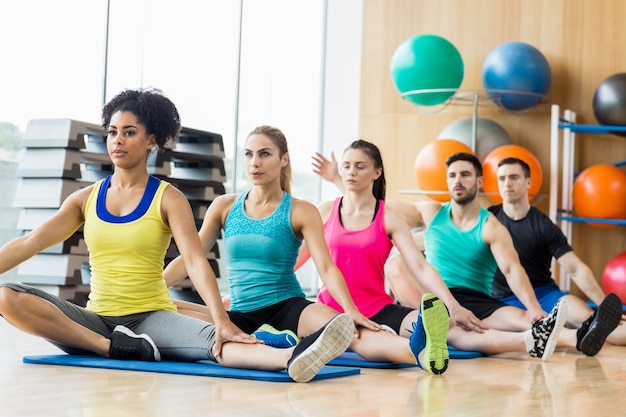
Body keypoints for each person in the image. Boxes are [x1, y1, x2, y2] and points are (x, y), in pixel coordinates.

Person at [0, 88, 353, 383]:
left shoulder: (167, 197)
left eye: (129, 132)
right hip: (96, 320)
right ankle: (109, 347)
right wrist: (107, 344)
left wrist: (220, 318)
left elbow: (196, 260)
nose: (117, 140)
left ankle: (295, 355)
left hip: (150, 317)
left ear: (152, 139)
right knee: (7, 297)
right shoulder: (84, 199)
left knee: (218, 344)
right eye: (112, 131)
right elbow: (29, 243)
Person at [164, 126, 452, 374]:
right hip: (239, 311)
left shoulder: (301, 210)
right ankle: (281, 345)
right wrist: (158, 284)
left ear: (283, 160)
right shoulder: (224, 206)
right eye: (249, 154)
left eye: (264, 154)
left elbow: (326, 267)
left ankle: (420, 351)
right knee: (166, 309)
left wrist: (350, 310)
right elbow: (193, 255)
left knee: (349, 333)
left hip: (289, 308)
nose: (255, 162)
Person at [314, 150, 617, 358]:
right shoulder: (431, 212)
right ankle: (428, 319)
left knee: (528, 319)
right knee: (397, 264)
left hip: (477, 299)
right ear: (446, 182)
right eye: (453, 175)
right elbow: (372, 206)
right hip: (436, 294)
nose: (458, 180)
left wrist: (535, 308)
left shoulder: (492, 226)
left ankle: (577, 338)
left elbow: (513, 271)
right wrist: (339, 179)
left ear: (478, 182)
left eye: (465, 175)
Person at [489, 157, 624, 354]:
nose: (506, 183)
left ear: (528, 182)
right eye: (501, 178)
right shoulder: (487, 220)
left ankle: (579, 331)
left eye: (513, 177)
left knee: (592, 320)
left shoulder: (543, 225)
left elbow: (575, 268)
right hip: (503, 299)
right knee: (527, 326)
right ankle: (568, 336)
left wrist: (603, 304)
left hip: (545, 294)